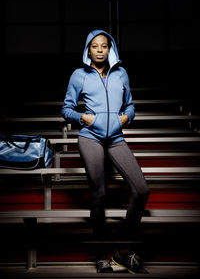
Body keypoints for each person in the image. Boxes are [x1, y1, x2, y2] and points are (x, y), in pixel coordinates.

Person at [62, 29, 150, 273]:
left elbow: (130, 104)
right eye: (95, 46)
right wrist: (84, 118)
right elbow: (67, 109)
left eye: (104, 46)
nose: (100, 50)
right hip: (89, 137)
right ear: (88, 50)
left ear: (110, 49)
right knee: (99, 194)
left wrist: (126, 117)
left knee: (142, 189)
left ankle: (122, 250)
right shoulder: (79, 75)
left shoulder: (121, 73)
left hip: (116, 138)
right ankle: (101, 254)